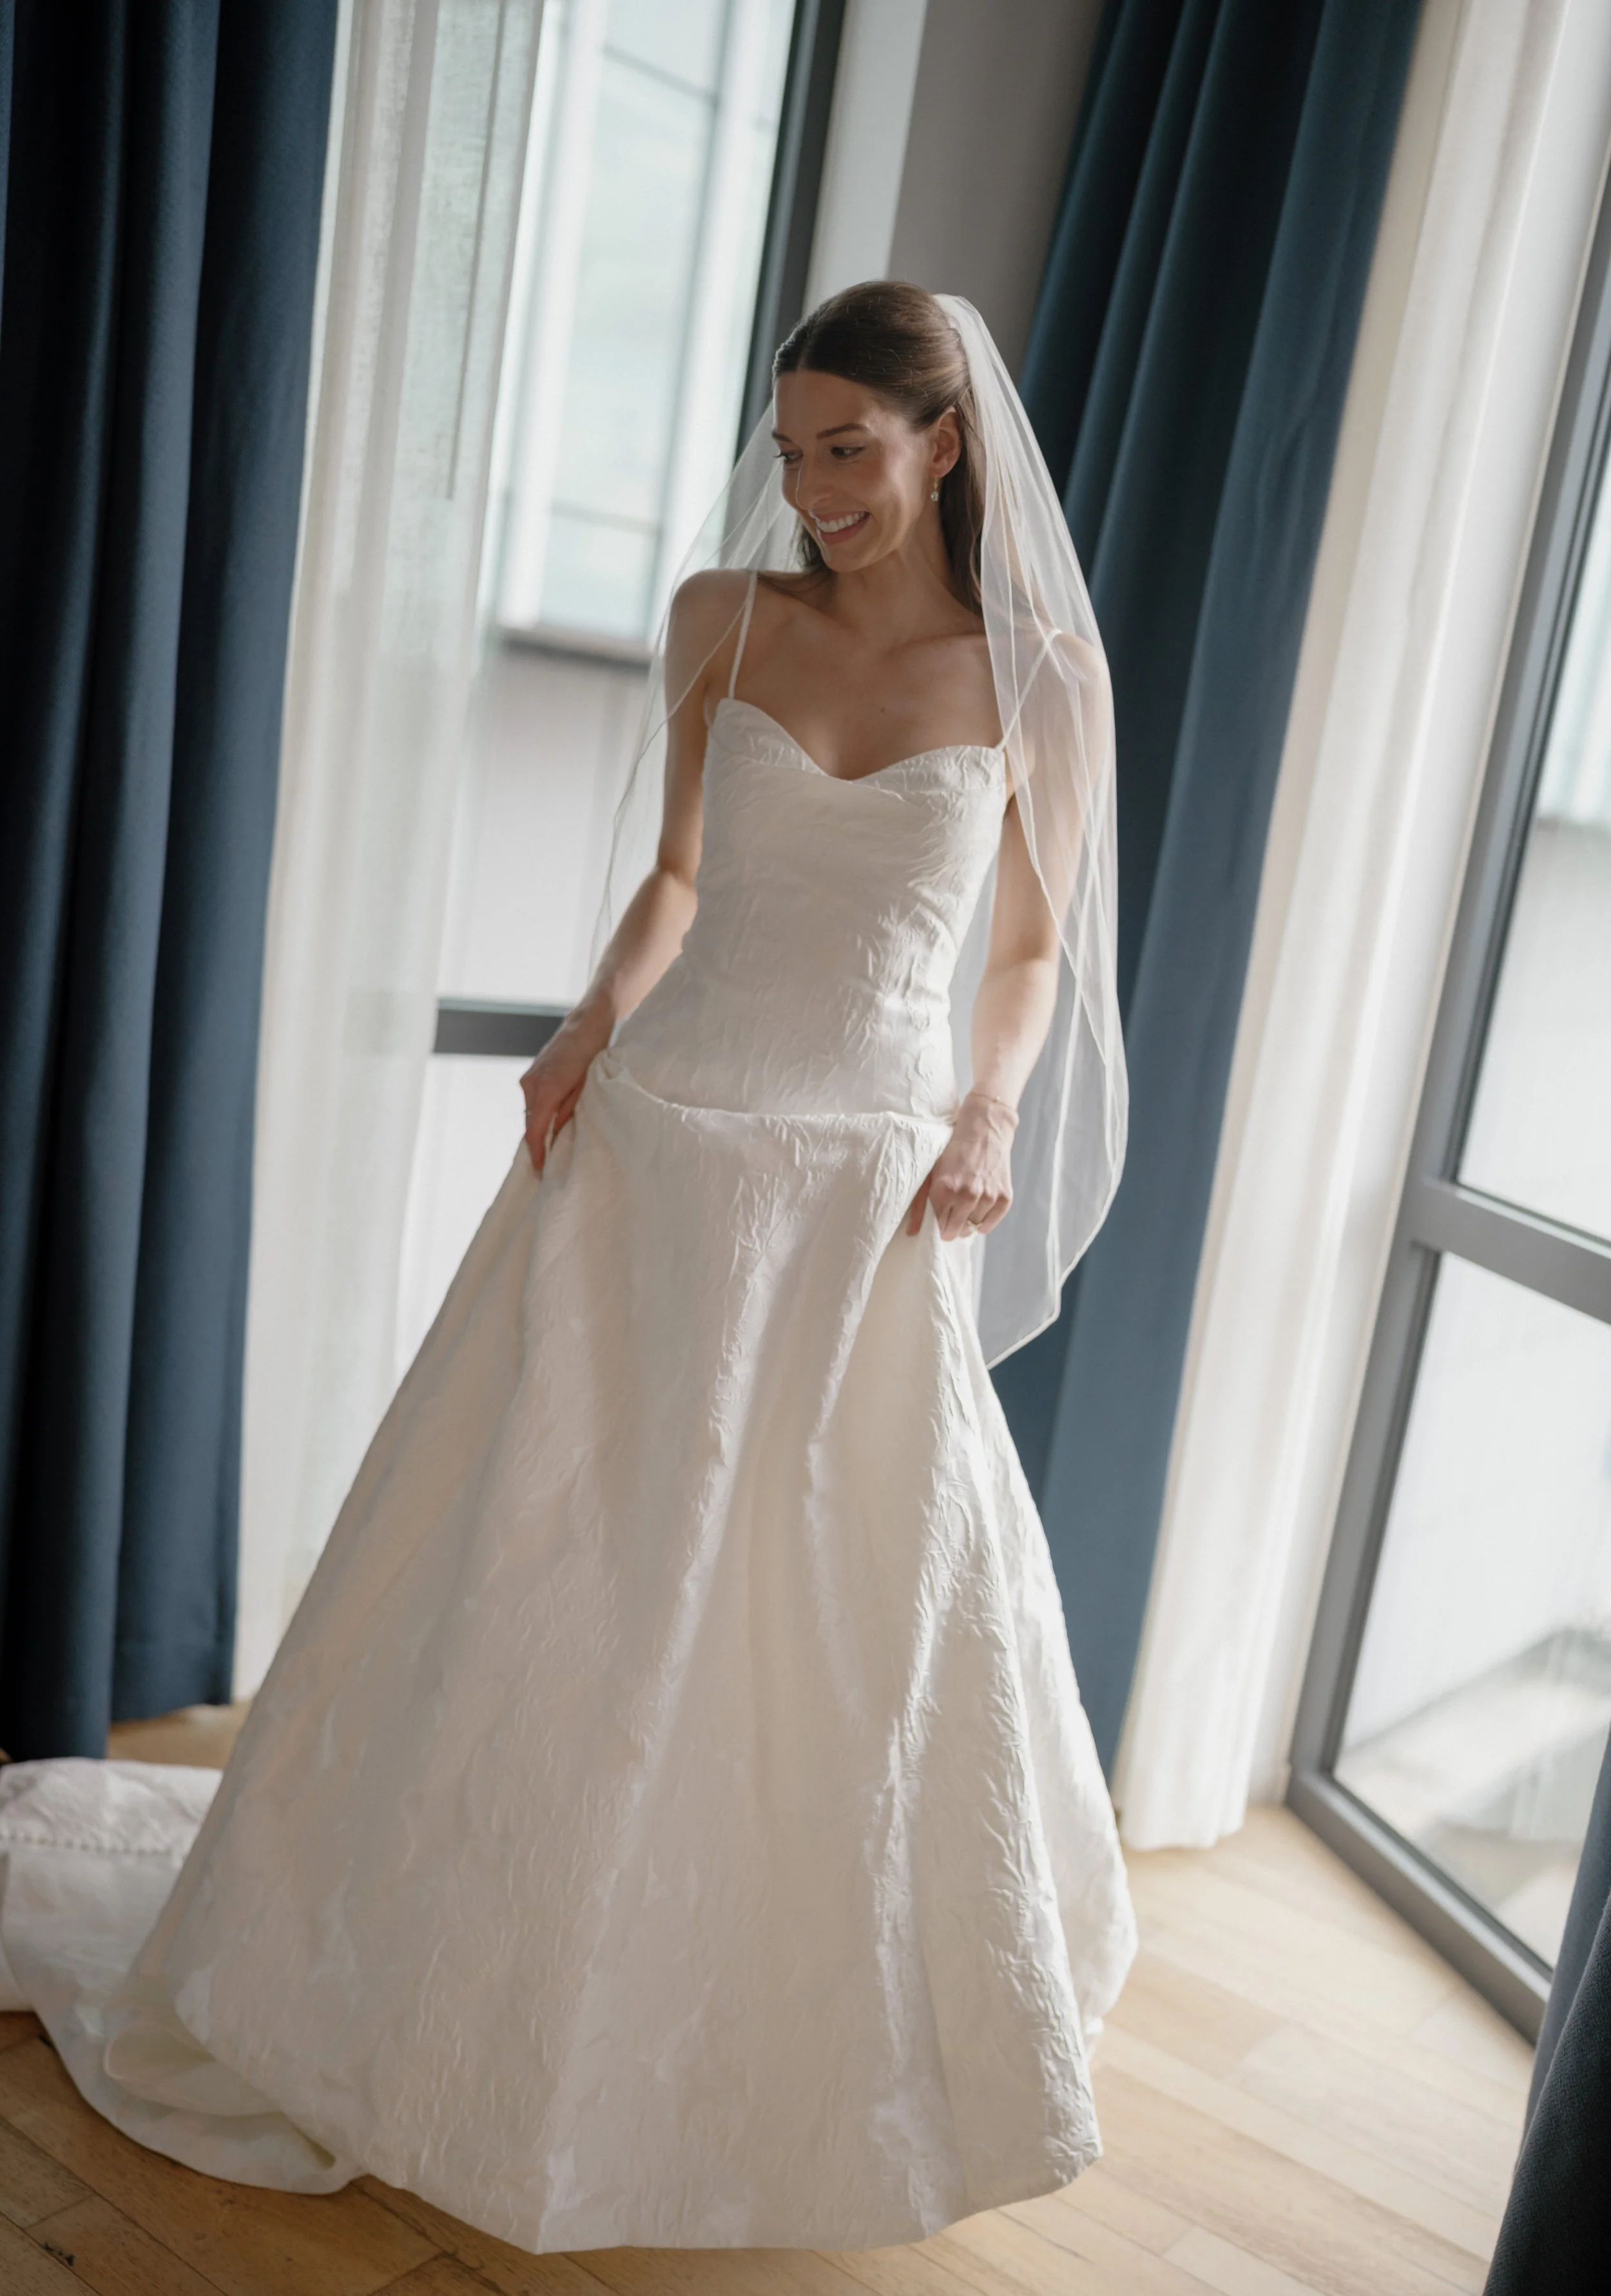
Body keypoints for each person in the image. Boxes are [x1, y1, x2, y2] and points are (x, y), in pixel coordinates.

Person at [0, 284, 1135, 2255]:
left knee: (838, 1596)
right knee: (554, 1556)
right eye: (788, 452)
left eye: (847, 450)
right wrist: (587, 1024)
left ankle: (760, 2042)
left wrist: (990, 1109)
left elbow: (1030, 949)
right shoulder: (721, 619)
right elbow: (679, 873)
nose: (812, 489)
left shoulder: (1040, 673)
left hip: (863, 1181)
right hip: (658, 1143)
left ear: (945, 443)